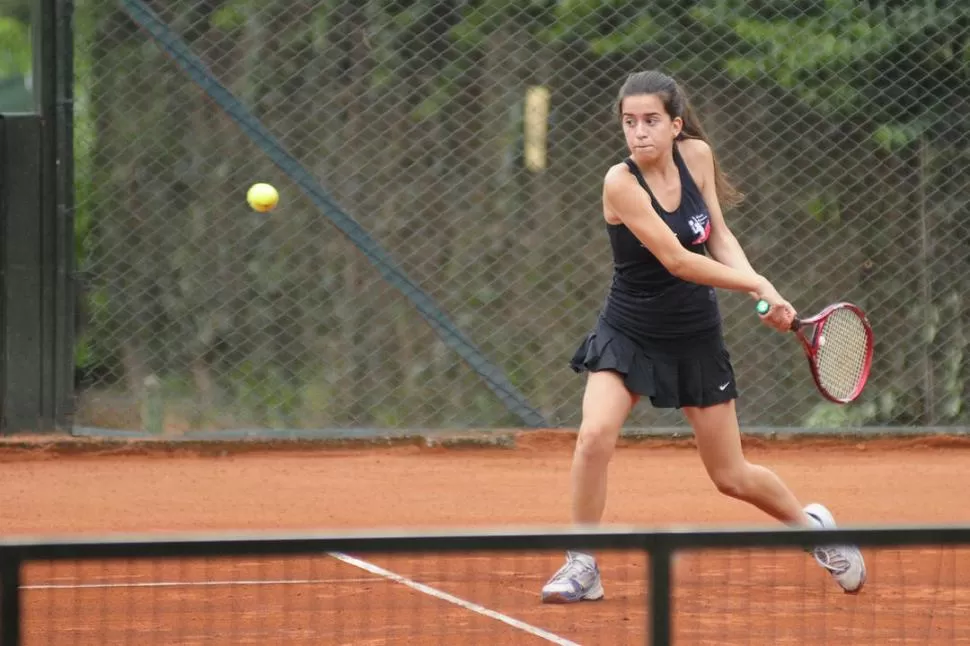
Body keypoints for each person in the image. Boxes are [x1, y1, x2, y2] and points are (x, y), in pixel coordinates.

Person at [540, 70, 866, 604]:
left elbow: (716, 234)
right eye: (629, 122)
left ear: (675, 124)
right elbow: (677, 259)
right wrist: (756, 284)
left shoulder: (697, 157)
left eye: (650, 121)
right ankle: (582, 563)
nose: (638, 132)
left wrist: (765, 294)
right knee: (594, 435)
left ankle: (815, 532)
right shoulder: (619, 183)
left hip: (694, 337)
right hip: (628, 330)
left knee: (730, 475)